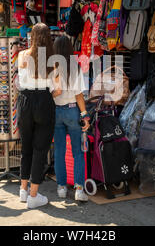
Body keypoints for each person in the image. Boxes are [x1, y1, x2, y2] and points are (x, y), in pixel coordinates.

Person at [17, 23, 61, 209]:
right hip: (43, 99)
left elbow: (18, 80)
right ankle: (34, 196)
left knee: (26, 146)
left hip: (24, 99)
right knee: (40, 149)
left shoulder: (22, 55)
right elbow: (57, 91)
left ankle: (23, 190)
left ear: (32, 37)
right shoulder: (53, 59)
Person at [53, 35, 90, 201]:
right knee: (77, 152)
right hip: (72, 111)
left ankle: (61, 187)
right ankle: (79, 189)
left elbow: (49, 92)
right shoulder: (73, 67)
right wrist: (85, 115)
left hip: (56, 112)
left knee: (59, 151)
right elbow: (79, 95)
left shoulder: (51, 67)